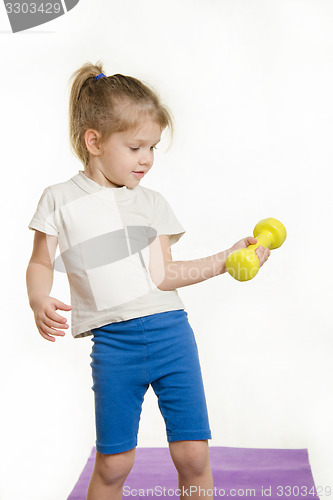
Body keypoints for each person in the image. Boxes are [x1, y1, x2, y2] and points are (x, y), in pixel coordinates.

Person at [26, 61, 271, 500]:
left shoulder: (152, 203)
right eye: (137, 147)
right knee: (115, 463)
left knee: (193, 457)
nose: (147, 159)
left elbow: (165, 276)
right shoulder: (59, 200)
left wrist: (227, 259)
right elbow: (41, 261)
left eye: (153, 148)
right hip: (114, 346)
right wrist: (38, 298)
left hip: (171, 335)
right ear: (94, 141)